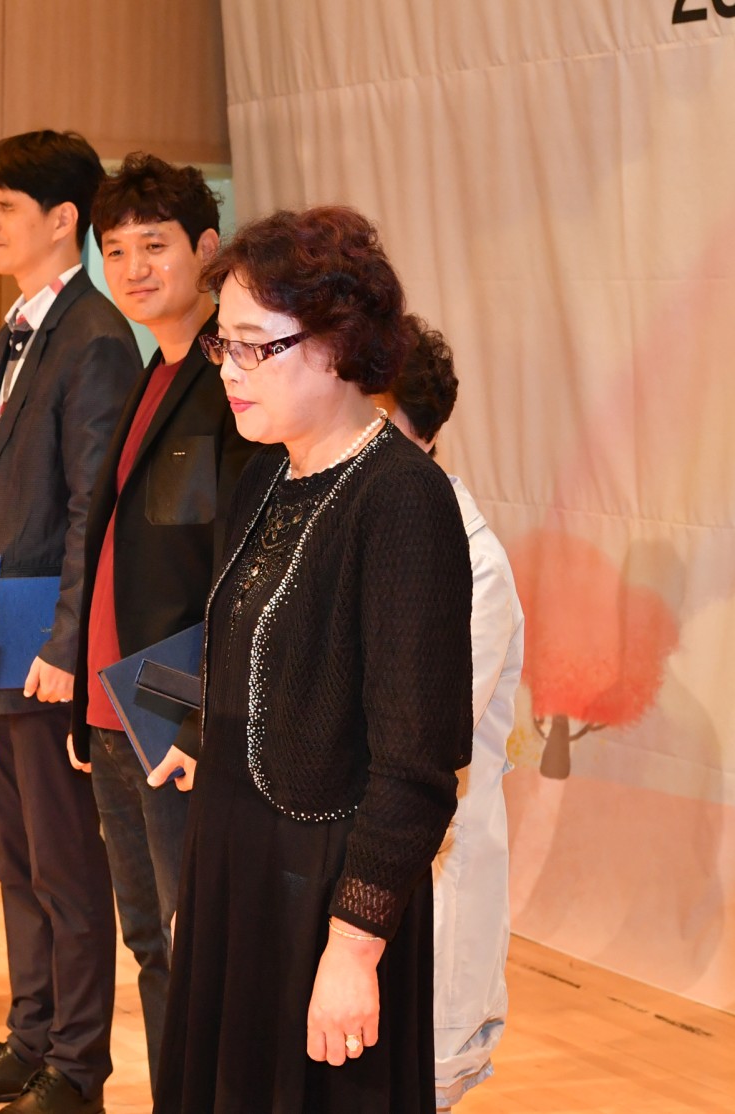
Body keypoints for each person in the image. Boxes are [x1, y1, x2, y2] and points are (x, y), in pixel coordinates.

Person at [155, 206, 473, 1112]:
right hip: (237, 864)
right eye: (223, 344)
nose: (230, 370)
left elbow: (417, 762)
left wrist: (354, 947)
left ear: (337, 345)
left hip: (326, 885)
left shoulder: (402, 499)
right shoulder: (266, 473)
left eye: (255, 346)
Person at [0, 130, 139, 1114]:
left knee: (66, 867)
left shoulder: (95, 336)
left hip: (44, 649)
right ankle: (30, 1038)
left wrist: (67, 642)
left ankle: (76, 1068)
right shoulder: (15, 331)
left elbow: (95, 508)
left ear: (63, 219)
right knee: (12, 858)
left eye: (5, 205)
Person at [69, 153, 258, 1091]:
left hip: (175, 716)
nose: (134, 268)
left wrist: (190, 713)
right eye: (115, 250)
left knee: (200, 944)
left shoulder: (233, 385)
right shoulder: (151, 373)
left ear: (207, 250)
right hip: (115, 709)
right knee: (148, 940)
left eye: (155, 245)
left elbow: (236, 574)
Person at [373, 320, 524, 1109]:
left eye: (374, 417)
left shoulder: (476, 565)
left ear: (421, 433)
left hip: (427, 874)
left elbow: (425, 736)